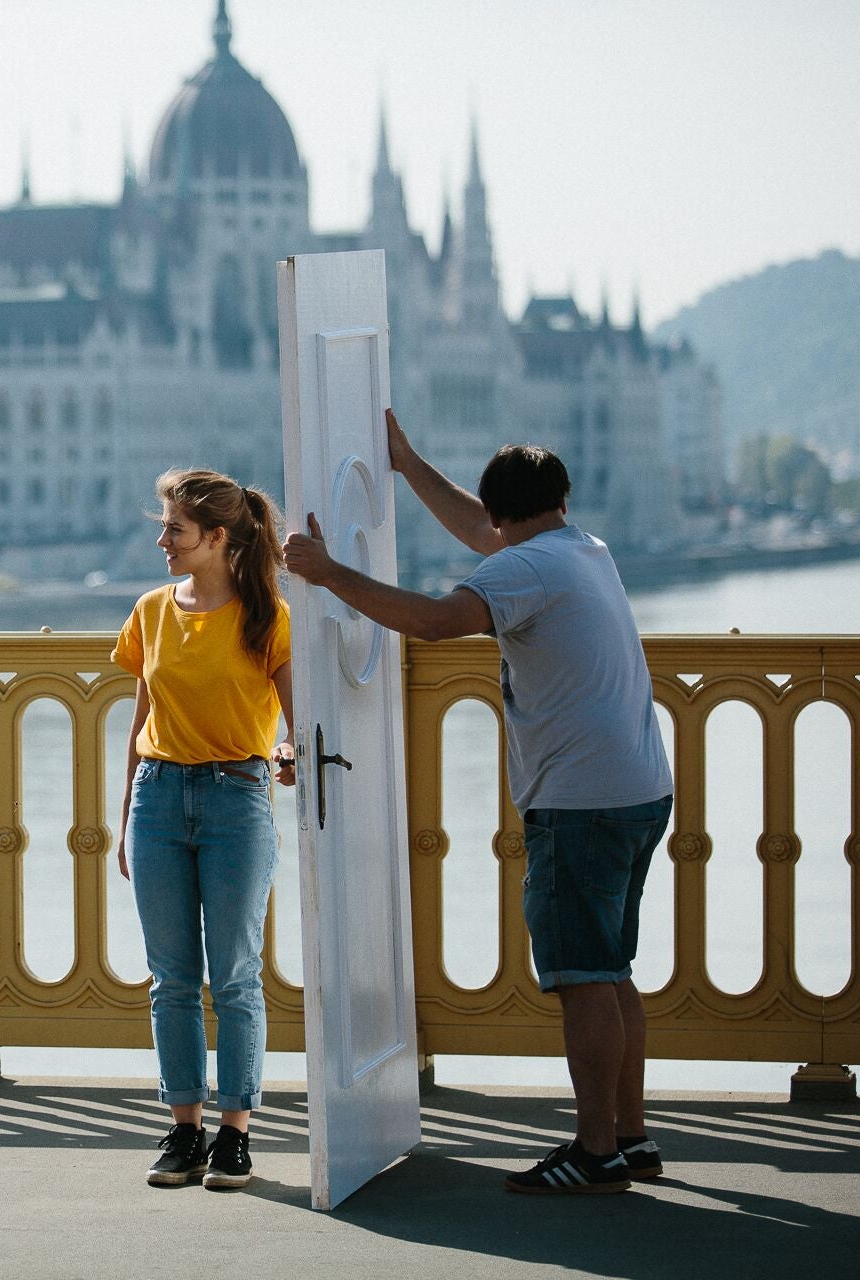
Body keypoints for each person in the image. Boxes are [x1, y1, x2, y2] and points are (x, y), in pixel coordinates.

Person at [282, 410, 673, 1197]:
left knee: (583, 978)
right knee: (611, 971)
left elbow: (432, 622)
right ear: (558, 498)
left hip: (579, 801)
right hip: (638, 787)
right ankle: (629, 1138)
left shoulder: (524, 569)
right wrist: (408, 464)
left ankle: (594, 1152)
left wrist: (326, 574)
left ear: (502, 515)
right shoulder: (579, 549)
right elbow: (488, 538)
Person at [114, 468, 297, 1191]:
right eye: (163, 527)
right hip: (160, 797)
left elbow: (297, 713)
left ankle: (235, 1134)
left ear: (218, 539)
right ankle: (183, 1128)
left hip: (235, 798)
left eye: (174, 531)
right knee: (172, 980)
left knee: (236, 976)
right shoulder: (152, 611)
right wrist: (126, 812)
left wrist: (286, 749)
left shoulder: (266, 616)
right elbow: (139, 721)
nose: (162, 540)